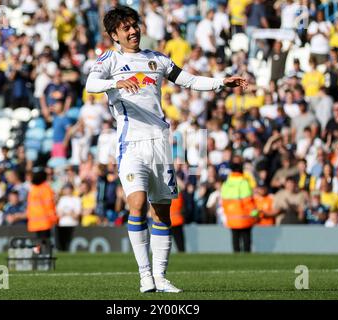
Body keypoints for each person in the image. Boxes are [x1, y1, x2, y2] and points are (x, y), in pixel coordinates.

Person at [86, 5, 247, 293]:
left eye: (135, 25)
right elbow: (91, 83)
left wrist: (221, 82)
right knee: (136, 204)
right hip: (130, 144)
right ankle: (144, 275)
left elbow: (190, 81)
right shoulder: (109, 60)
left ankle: (160, 276)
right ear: (114, 35)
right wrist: (115, 82)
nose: (133, 31)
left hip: (160, 144)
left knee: (162, 212)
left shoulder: (157, 59)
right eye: (126, 28)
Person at [221, 156, 258, 252]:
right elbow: (248, 201)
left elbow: (224, 201)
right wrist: (255, 213)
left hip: (232, 218)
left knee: (235, 242)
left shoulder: (226, 183)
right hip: (245, 217)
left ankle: (235, 262)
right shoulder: (243, 182)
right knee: (246, 243)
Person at [26, 167, 57, 241]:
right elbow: (49, 205)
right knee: (45, 243)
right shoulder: (46, 189)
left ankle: (38, 252)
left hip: (34, 221)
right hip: (45, 220)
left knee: (38, 242)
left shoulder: (33, 189)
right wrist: (54, 218)